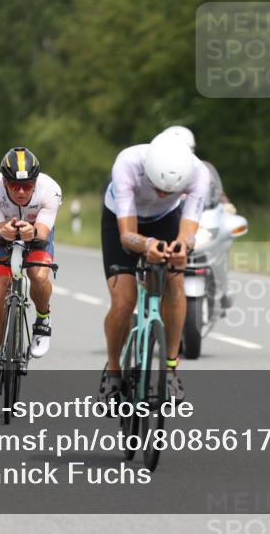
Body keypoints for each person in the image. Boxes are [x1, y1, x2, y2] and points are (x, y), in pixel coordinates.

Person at [99, 134, 211, 404]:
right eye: (158, 187)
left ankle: (171, 369)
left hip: (165, 219)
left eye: (170, 190)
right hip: (122, 221)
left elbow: (187, 231)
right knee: (124, 302)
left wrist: (183, 247)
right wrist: (147, 244)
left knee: (175, 283)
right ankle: (113, 371)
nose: (162, 193)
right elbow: (127, 236)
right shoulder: (127, 163)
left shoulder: (198, 173)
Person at [0, 147, 63, 392]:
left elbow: (44, 232)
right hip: (3, 232)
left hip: (36, 230)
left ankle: (43, 320)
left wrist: (33, 232)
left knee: (38, 274)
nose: (22, 191)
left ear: (37, 182)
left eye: (28, 185)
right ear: (4, 182)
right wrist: (5, 230)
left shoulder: (50, 190)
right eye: (15, 186)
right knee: (0, 287)